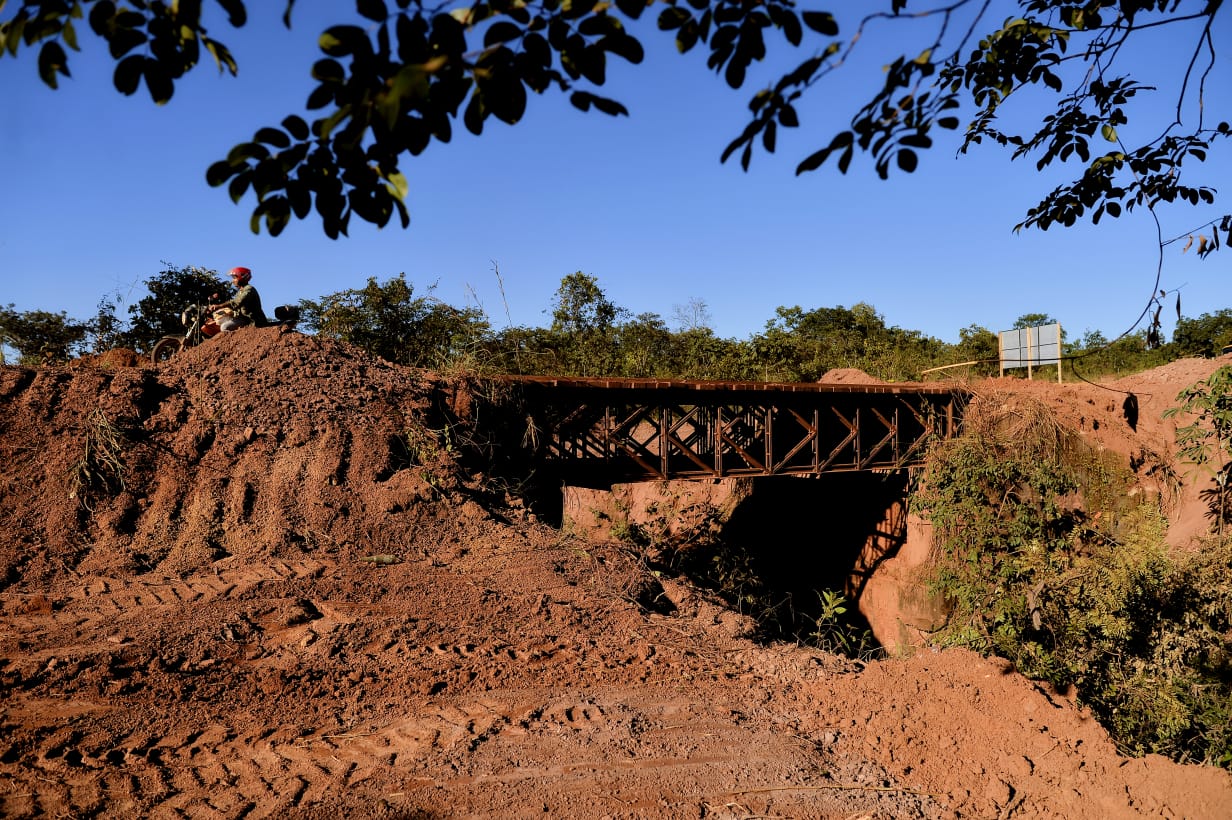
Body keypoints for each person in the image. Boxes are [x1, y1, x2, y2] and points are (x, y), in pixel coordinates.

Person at [211, 266, 268, 331]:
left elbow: (236, 302)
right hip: (244, 318)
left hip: (252, 320)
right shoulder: (240, 291)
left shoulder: (249, 289)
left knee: (224, 327)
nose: (232, 281)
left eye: (235, 278)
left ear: (243, 277)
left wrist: (219, 306)